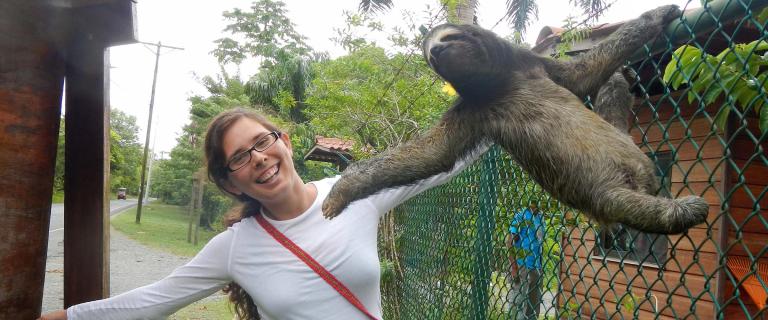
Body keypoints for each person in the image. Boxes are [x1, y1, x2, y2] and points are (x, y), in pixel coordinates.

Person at [39, 107, 490, 320]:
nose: (257, 158)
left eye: (262, 142)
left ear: (285, 143)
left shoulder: (356, 191)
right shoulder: (235, 247)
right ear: (231, 182)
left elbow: (444, 163)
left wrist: (514, 101)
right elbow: (154, 300)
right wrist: (67, 318)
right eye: (238, 158)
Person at [505, 201, 544, 320]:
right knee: (518, 307)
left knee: (533, 309)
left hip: (536, 267)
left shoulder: (540, 217)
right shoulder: (521, 216)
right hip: (521, 266)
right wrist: (514, 268)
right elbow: (509, 242)